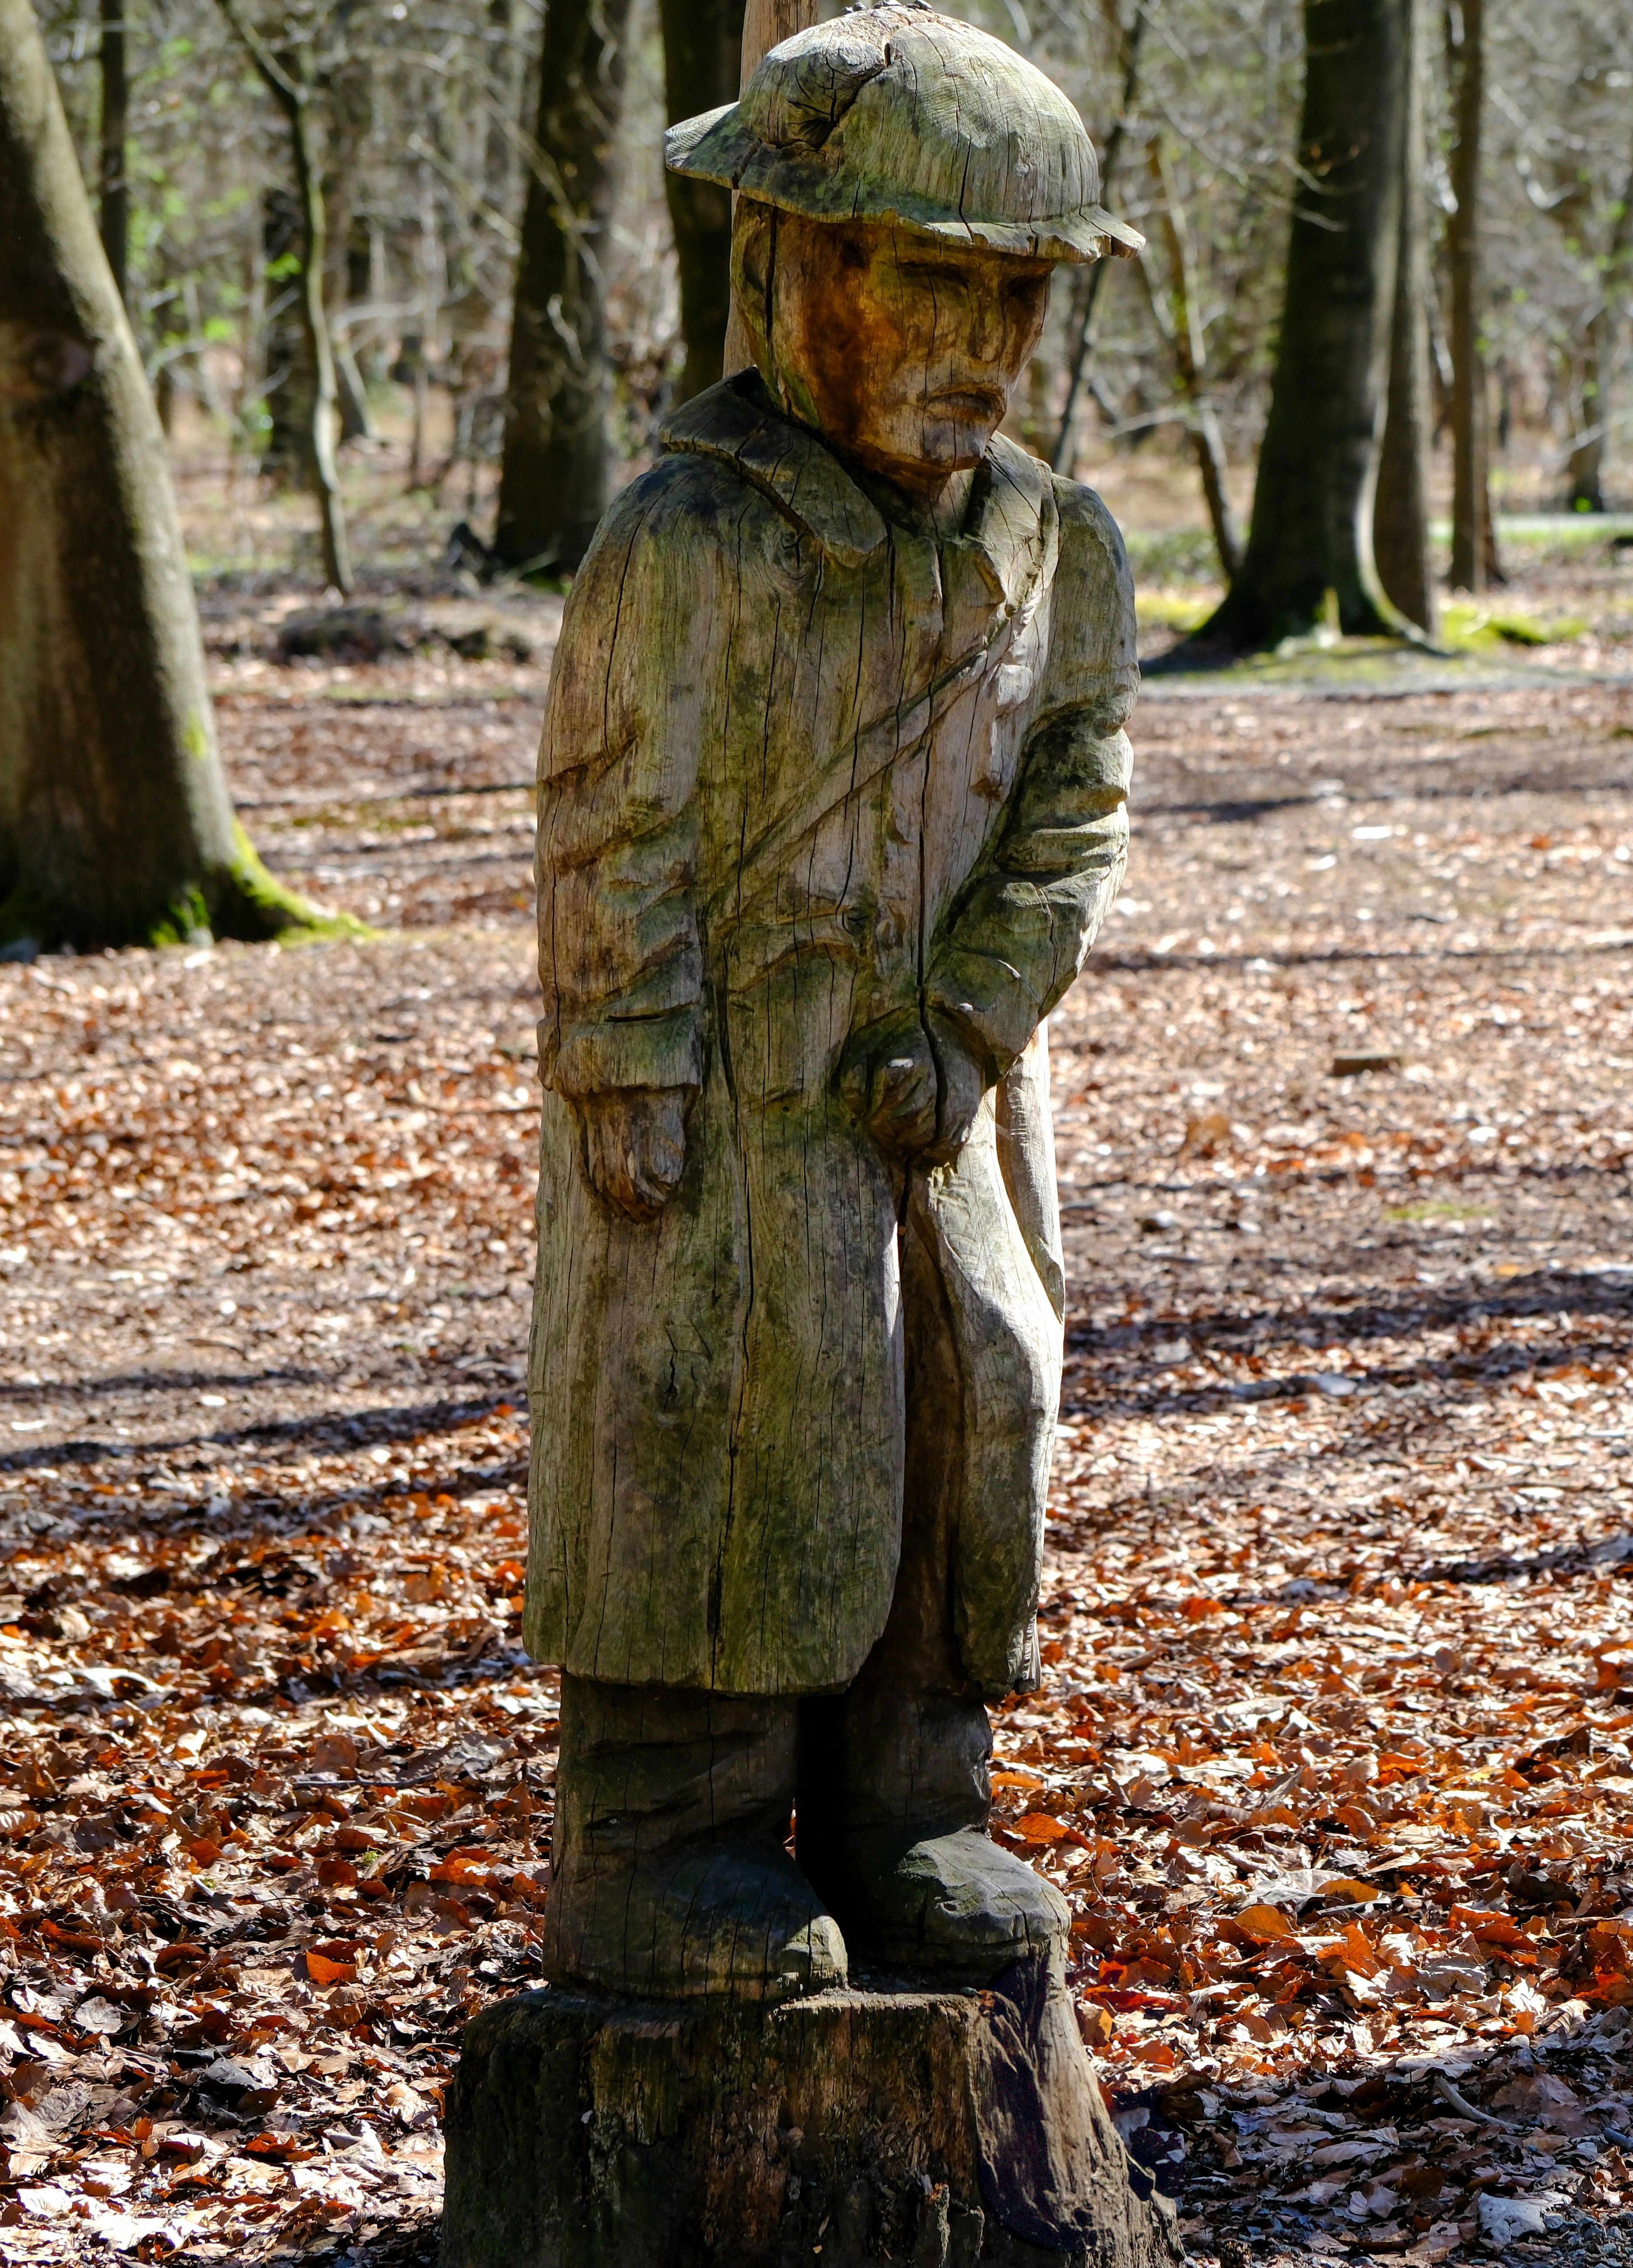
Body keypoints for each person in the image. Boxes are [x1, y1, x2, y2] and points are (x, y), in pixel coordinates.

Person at [524, 0, 1142, 2001]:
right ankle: (664, 1835)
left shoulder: (1063, 550)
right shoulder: (685, 537)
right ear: (788, 264)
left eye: (1014, 296)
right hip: (721, 1106)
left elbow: (1075, 805)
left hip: (947, 1106)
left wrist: (971, 1021)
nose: (977, 339)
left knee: (970, 1412)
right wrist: (629, 1059)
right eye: (927, 279)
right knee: (724, 1428)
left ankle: (914, 1803)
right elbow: (611, 811)